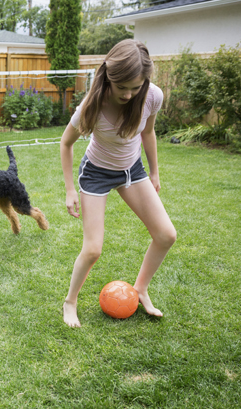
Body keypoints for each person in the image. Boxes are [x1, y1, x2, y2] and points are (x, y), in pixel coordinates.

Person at [60, 39, 176, 327]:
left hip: (131, 171)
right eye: (122, 87)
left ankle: (141, 289)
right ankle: (70, 302)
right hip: (96, 173)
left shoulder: (152, 96)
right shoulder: (92, 105)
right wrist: (70, 189)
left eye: (135, 87)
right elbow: (66, 144)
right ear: (109, 77)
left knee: (166, 235)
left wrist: (155, 171)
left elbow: (148, 133)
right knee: (93, 249)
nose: (128, 94)